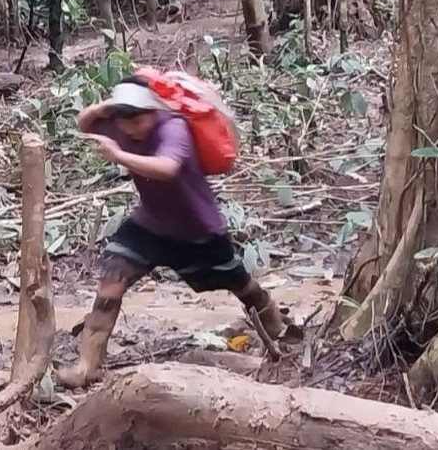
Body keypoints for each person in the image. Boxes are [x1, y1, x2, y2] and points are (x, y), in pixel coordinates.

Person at [56, 74, 296, 389]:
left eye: (138, 119)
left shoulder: (173, 127)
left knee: (240, 283)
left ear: (152, 111)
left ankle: (276, 326)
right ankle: (87, 366)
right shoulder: (121, 123)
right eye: (125, 120)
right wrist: (105, 107)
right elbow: (83, 124)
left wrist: (119, 155)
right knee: (110, 285)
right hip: (151, 224)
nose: (131, 128)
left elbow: (167, 168)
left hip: (197, 230)